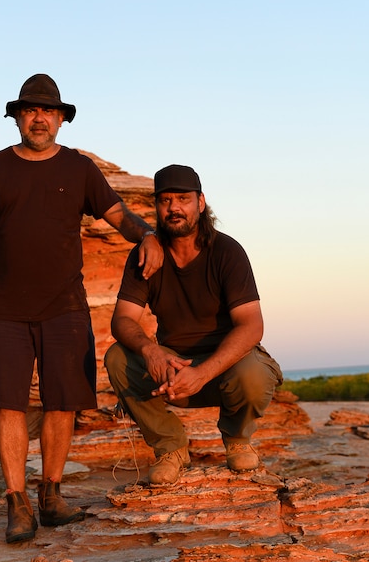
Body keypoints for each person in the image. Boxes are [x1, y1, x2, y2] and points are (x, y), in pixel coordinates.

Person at [0, 73, 163, 543]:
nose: (38, 118)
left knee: (63, 401)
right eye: (30, 110)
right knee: (7, 403)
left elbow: (118, 216)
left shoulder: (79, 169)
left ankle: (51, 497)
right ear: (16, 117)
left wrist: (148, 234)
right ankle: (17, 503)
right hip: (5, 310)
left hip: (65, 308)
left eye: (47, 111)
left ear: (60, 119)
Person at [104, 163, 283, 486]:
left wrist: (201, 373)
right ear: (156, 207)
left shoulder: (227, 252)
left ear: (200, 203)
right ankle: (170, 448)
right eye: (165, 200)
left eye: (183, 199)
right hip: (171, 372)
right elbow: (123, 320)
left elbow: (251, 326)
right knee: (117, 357)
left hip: (224, 369)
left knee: (254, 372)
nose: (174, 208)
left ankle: (238, 440)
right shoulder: (145, 255)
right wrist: (151, 351)